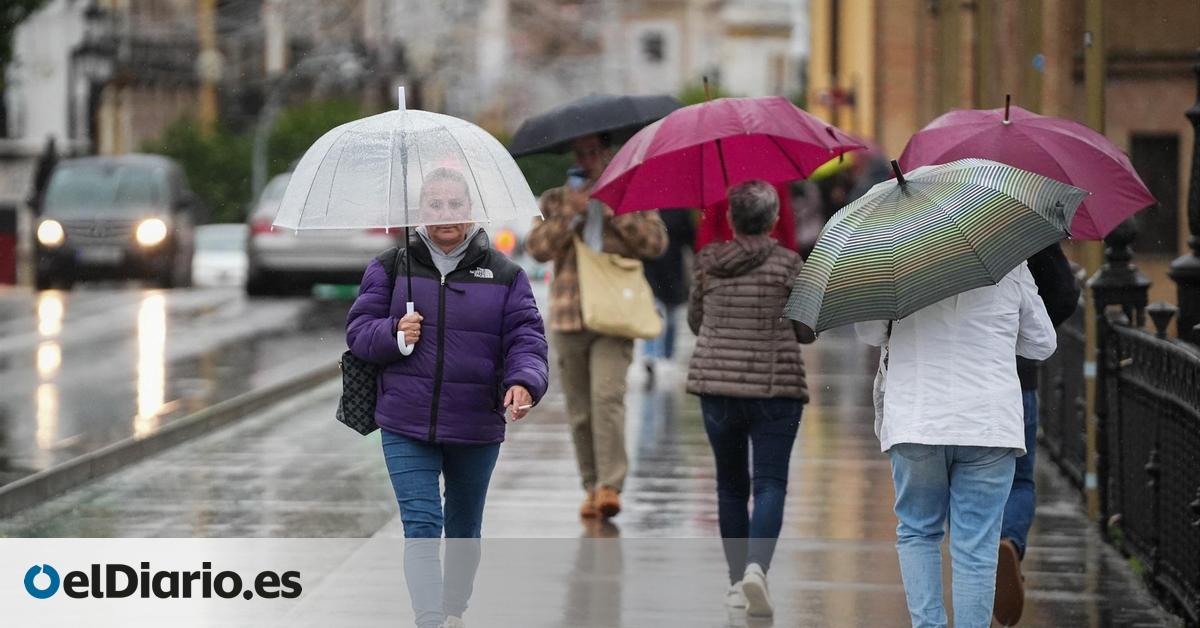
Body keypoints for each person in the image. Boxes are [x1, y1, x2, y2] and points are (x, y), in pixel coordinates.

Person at [346, 167, 549, 628]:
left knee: (463, 530)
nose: (445, 214)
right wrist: (394, 333)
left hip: (475, 422)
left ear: (471, 210)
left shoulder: (505, 275)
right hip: (405, 419)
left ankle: (454, 610)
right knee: (421, 524)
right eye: (434, 205)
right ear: (419, 212)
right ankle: (430, 618)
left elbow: (527, 338)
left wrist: (524, 382)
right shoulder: (390, 266)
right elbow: (358, 331)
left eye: (455, 204)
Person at [855, 262, 1057, 628]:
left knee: (918, 531)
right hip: (988, 424)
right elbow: (1042, 343)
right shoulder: (1009, 264)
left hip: (918, 419)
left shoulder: (896, 259)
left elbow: (869, 333)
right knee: (977, 548)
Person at [685, 180, 814, 618]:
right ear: (775, 219)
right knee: (771, 483)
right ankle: (758, 567)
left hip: (717, 387)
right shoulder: (789, 264)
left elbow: (696, 322)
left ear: (732, 220)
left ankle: (737, 583)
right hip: (775, 390)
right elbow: (804, 330)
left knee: (730, 486)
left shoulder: (708, 262)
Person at [525, 133, 668, 520]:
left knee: (607, 398)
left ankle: (610, 485)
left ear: (608, 153)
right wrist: (570, 214)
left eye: (594, 153)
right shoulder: (556, 199)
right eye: (581, 153)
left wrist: (612, 210)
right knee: (580, 409)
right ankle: (591, 486)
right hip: (570, 314)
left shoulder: (630, 192)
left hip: (615, 313)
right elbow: (537, 248)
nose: (587, 160)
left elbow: (655, 243)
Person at [993, 243, 1079, 626]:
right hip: (1016, 377)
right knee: (1019, 480)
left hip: (953, 383)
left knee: (961, 480)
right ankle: (1009, 541)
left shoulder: (931, 223)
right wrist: (1026, 329)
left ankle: (977, 568)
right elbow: (1064, 293)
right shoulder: (1021, 226)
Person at [641, 208, 695, 385]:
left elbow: (690, 238)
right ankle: (650, 356)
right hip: (650, 272)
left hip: (673, 272)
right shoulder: (643, 209)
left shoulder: (679, 211)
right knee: (653, 313)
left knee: (670, 318)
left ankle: (667, 356)